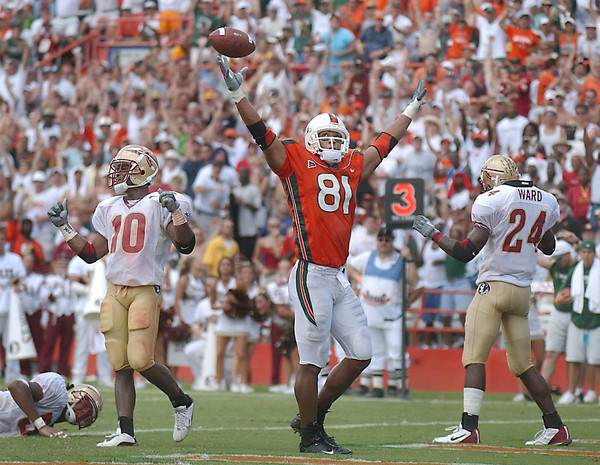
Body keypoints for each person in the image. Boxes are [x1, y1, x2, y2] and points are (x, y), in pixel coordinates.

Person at [216, 54, 426, 454]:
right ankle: (311, 436)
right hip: (310, 272)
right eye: (325, 138)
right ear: (312, 140)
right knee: (311, 361)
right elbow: (262, 133)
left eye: (336, 138)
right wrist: (238, 93)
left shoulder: (350, 165)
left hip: (338, 275)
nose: (332, 144)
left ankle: (312, 415)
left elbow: (383, 143)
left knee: (361, 353)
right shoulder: (295, 157)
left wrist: (410, 111)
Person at [412, 155, 572, 446]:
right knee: (524, 364)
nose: (483, 184)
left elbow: (465, 251)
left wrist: (432, 233)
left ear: (494, 179)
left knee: (474, 357)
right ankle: (556, 427)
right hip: (522, 293)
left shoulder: (492, 200)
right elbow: (549, 246)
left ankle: (468, 427)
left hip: (494, 287)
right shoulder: (544, 199)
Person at [46, 144, 196, 447]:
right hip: (114, 289)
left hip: (145, 288)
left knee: (141, 359)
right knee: (120, 364)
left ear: (145, 171)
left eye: (126, 168)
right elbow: (91, 253)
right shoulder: (108, 207)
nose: (118, 173)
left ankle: (182, 402)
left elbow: (186, 245)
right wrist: (65, 227)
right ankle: (125, 431)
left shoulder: (160, 202)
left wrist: (176, 213)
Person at [347, 227, 416, 397]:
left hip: (393, 316)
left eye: (387, 240)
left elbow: (414, 280)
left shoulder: (400, 260)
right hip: (370, 316)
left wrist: (410, 259)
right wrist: (358, 278)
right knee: (375, 351)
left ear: (393, 242)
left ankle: (402, 387)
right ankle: (377, 387)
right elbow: (349, 265)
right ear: (377, 241)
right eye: (381, 239)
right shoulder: (368, 257)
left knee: (396, 351)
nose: (384, 243)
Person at [0, 372, 102, 438]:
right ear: (74, 394)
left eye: (91, 413)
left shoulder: (53, 418)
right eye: (86, 406)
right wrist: (41, 426)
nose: (86, 413)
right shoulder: (57, 389)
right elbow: (16, 386)